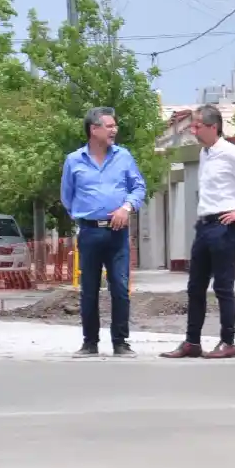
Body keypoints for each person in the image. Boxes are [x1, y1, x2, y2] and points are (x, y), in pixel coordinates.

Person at [162, 104, 235, 360]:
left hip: (224, 225)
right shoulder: (205, 153)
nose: (193, 131)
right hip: (204, 225)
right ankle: (192, 342)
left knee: (223, 287)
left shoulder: (230, 153)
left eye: (197, 126)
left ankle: (228, 341)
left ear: (213, 127)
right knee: (195, 286)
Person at [61, 107, 147, 357]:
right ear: (93, 129)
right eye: (109, 126)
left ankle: (120, 342)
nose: (114, 130)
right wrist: (83, 216)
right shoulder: (74, 160)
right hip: (89, 233)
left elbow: (138, 187)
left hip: (117, 233)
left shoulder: (124, 157)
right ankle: (90, 342)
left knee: (120, 287)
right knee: (89, 289)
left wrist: (126, 207)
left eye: (115, 126)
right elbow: (67, 197)